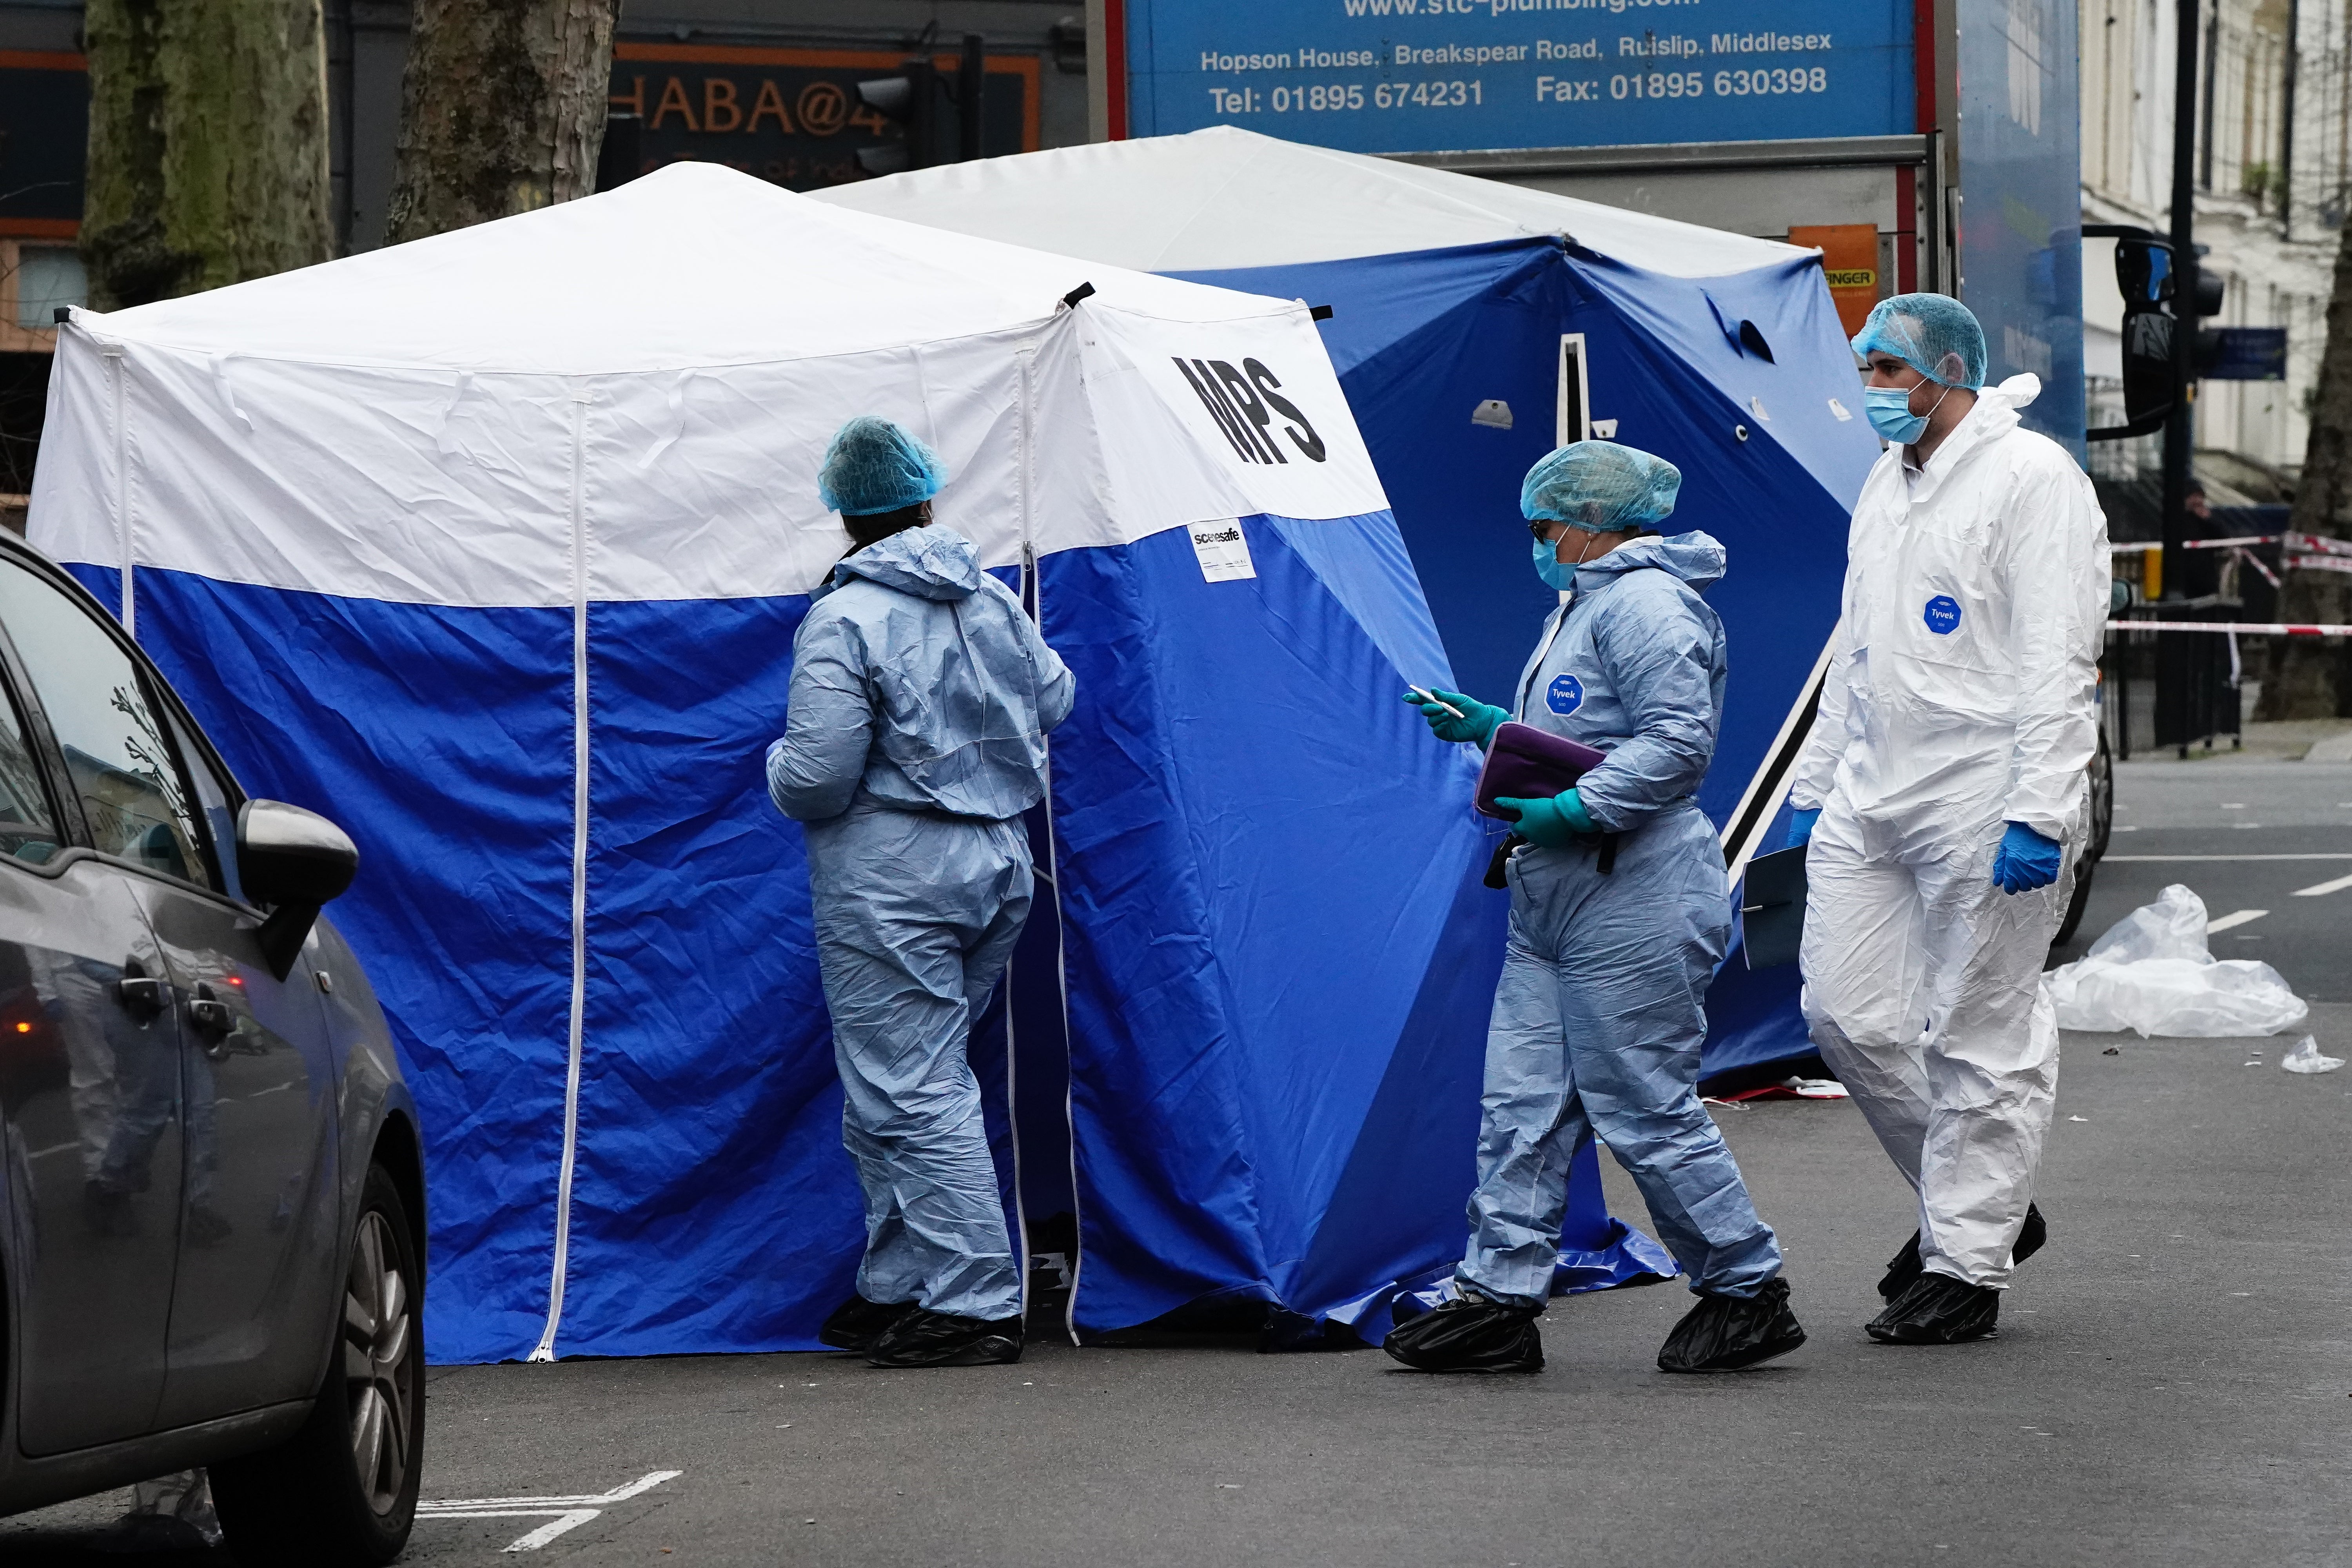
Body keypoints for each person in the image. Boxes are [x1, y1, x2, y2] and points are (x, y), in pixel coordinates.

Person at [1383, 441, 1804, 1375]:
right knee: (1521, 1104)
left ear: (1589, 522)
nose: (1536, 543)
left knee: (1643, 1104)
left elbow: (1676, 745)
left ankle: (1744, 1284)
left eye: (1543, 527)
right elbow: (1596, 733)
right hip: (1563, 892)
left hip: (1634, 888)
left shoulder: (1646, 604)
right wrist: (1498, 731)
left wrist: (1574, 808)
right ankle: (1497, 1294)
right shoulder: (1589, 602)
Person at [1783, 294, 2107, 1345]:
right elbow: (1856, 648)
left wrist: (2041, 811)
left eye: (1887, 367)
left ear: (1950, 370)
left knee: (1980, 1032)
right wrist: (1814, 786)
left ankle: (1967, 1259)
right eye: (1866, 366)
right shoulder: (1887, 483)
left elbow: (2059, 658)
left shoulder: (2033, 482)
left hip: (1983, 787)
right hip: (1876, 787)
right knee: (1846, 1017)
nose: (1870, 385)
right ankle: (1992, 1200)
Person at [767, 416, 1074, 1369]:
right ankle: (898, 1282)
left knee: (909, 1083)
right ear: (927, 494)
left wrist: (776, 764)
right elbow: (1057, 698)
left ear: (842, 512)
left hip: (893, 873)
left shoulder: (846, 616)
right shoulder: (987, 596)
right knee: (904, 1081)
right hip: (996, 859)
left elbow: (817, 778)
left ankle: (975, 1298)